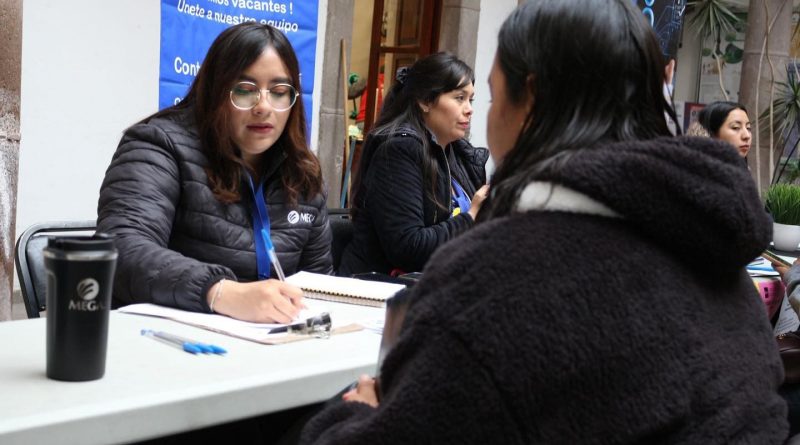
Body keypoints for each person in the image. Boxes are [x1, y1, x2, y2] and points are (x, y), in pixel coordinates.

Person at [299, 1, 788, 443]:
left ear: (528, 101)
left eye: (488, 95)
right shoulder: (711, 245)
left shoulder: (497, 282)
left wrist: (355, 412)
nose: (477, 114)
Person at [97, 23, 332, 323]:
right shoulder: (159, 145)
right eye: (244, 91)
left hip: (271, 347)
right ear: (215, 90)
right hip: (166, 341)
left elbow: (318, 284)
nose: (263, 106)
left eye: (279, 92)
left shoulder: (302, 172)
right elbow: (122, 247)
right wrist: (219, 291)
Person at [337, 52, 490, 277]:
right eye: (459, 98)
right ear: (425, 101)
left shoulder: (460, 154)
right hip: (378, 292)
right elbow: (408, 247)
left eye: (471, 99)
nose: (469, 109)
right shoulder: (399, 151)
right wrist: (472, 216)